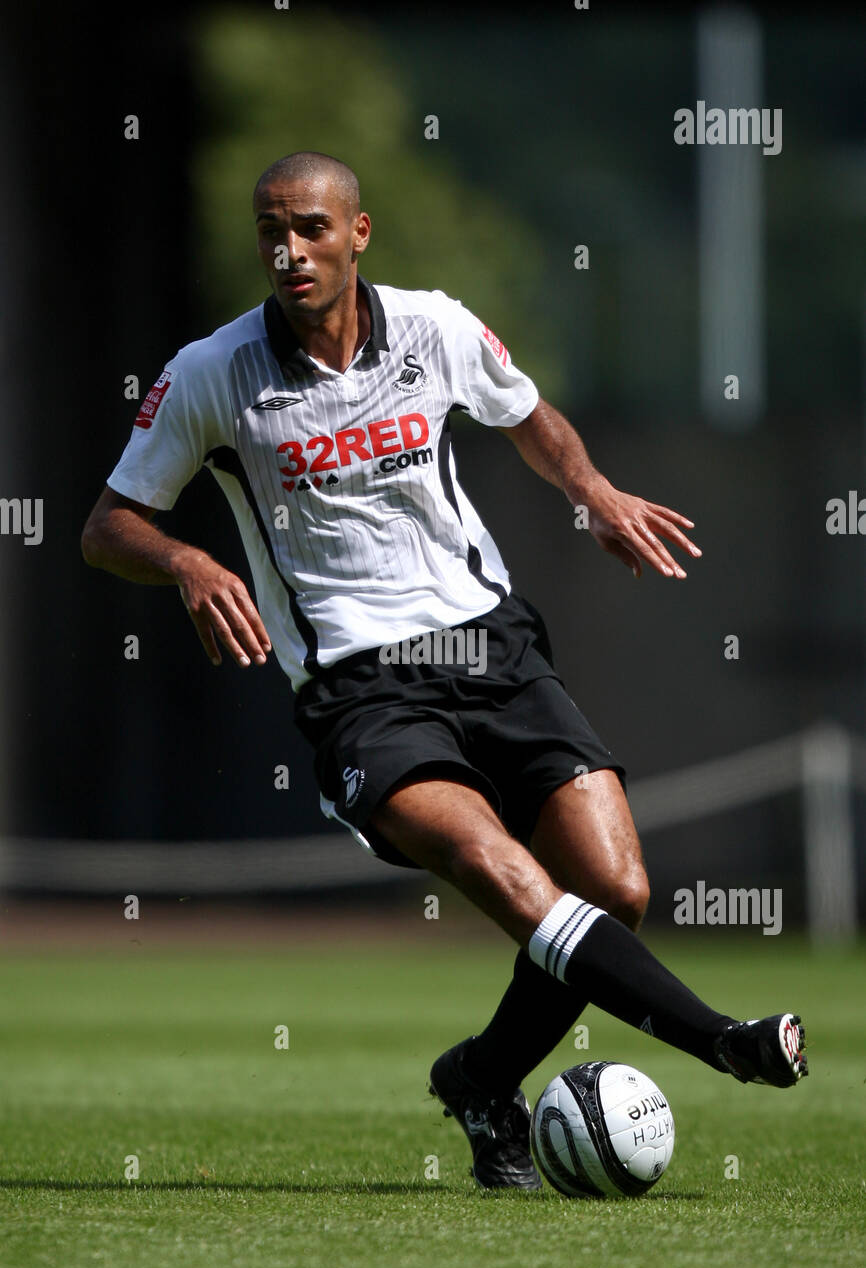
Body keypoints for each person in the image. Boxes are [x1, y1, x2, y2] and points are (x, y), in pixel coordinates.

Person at [81, 151, 807, 1191]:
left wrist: (590, 489)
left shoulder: (435, 326)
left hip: (490, 646)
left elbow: (524, 414)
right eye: (270, 232)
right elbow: (106, 526)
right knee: (509, 878)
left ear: (357, 233)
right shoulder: (211, 372)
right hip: (359, 688)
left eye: (311, 229)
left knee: (614, 887)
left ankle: (480, 1076)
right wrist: (190, 561)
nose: (288, 251)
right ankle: (722, 1041)